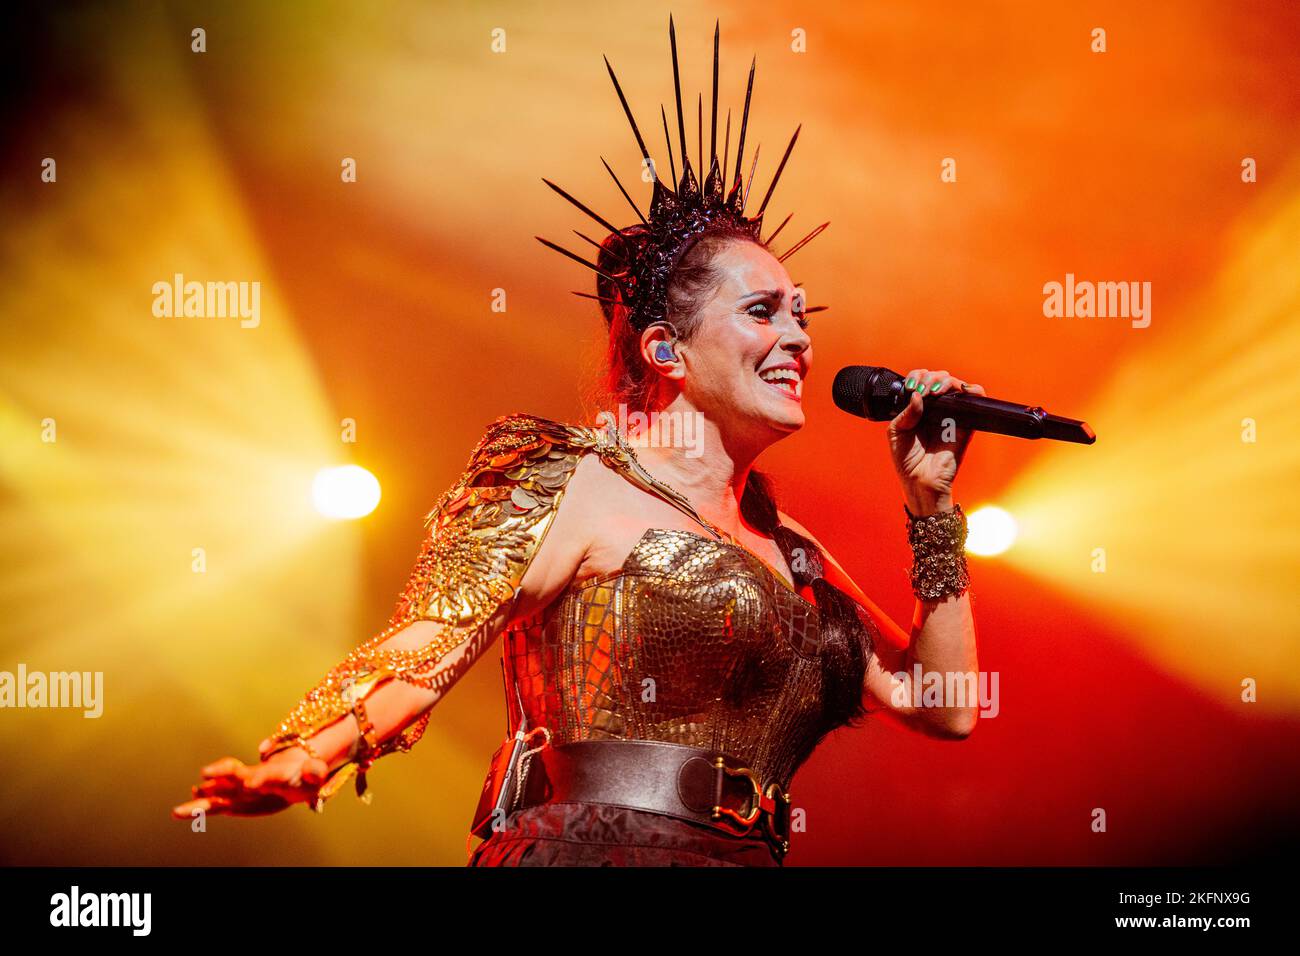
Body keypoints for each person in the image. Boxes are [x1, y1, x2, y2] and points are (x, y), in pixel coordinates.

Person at [172, 19, 981, 867]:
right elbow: (430, 643)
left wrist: (932, 506)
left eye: (802, 315)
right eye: (762, 311)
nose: (800, 341)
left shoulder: (794, 554)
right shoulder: (571, 483)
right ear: (665, 349)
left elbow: (947, 705)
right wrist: (307, 757)